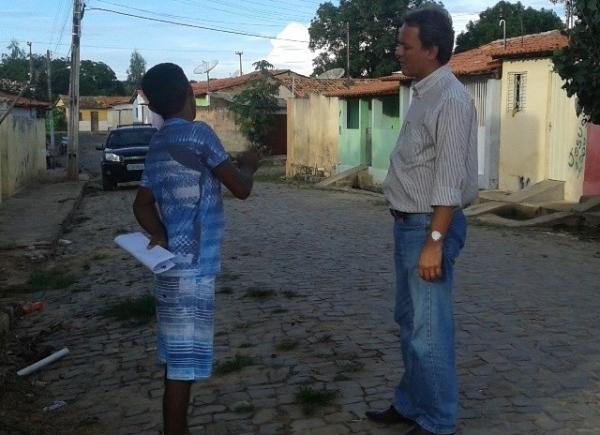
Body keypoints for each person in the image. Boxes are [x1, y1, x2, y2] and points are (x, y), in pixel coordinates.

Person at [365, 7, 478, 435]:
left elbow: (449, 181)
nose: (397, 51)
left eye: (405, 45)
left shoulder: (450, 99)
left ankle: (439, 422)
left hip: (429, 226)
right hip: (410, 225)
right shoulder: (424, 92)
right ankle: (411, 403)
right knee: (410, 322)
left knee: (429, 331)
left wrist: (434, 240)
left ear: (431, 50)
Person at [132, 63, 258, 435]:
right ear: (189, 91)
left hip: (170, 268)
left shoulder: (157, 143)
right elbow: (241, 188)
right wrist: (249, 165)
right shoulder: (200, 136)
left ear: (153, 106)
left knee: (176, 361)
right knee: (182, 369)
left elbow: (141, 204)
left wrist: (164, 236)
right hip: (194, 271)